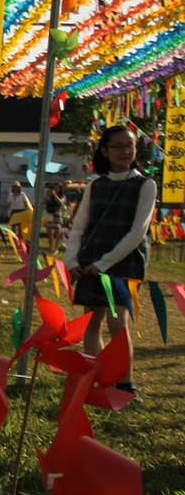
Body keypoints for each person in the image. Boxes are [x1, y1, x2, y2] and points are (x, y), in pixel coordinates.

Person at [64, 125, 157, 396]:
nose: (125, 151)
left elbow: (138, 231)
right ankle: (100, 377)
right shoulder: (96, 184)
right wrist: (71, 261)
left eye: (129, 145)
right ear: (104, 151)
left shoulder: (146, 184)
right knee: (92, 322)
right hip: (91, 259)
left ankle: (124, 383)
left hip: (124, 262)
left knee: (118, 322)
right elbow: (80, 226)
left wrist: (104, 263)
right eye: (117, 146)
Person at [44, 181, 67, 253]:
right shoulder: (49, 194)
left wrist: (55, 195)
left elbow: (60, 202)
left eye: (57, 188)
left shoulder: (62, 196)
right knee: (49, 231)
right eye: (54, 188)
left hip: (57, 213)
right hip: (49, 213)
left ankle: (56, 248)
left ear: (60, 189)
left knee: (57, 230)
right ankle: (51, 247)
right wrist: (49, 194)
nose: (55, 189)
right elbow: (44, 201)